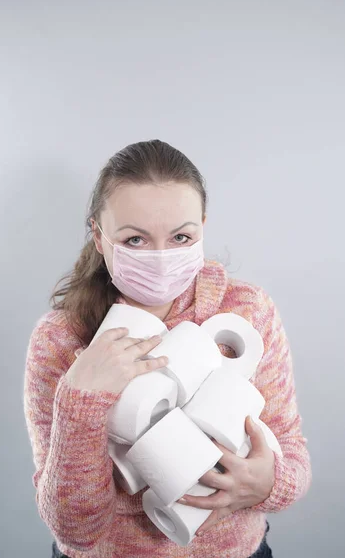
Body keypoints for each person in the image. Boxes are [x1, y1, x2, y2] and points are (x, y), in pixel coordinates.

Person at [23, 139, 312, 558]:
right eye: (135, 240)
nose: (160, 256)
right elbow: (74, 533)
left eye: (180, 236)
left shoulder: (247, 311)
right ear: (99, 237)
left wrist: (268, 483)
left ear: (202, 229)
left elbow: (290, 451)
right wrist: (79, 401)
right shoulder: (61, 338)